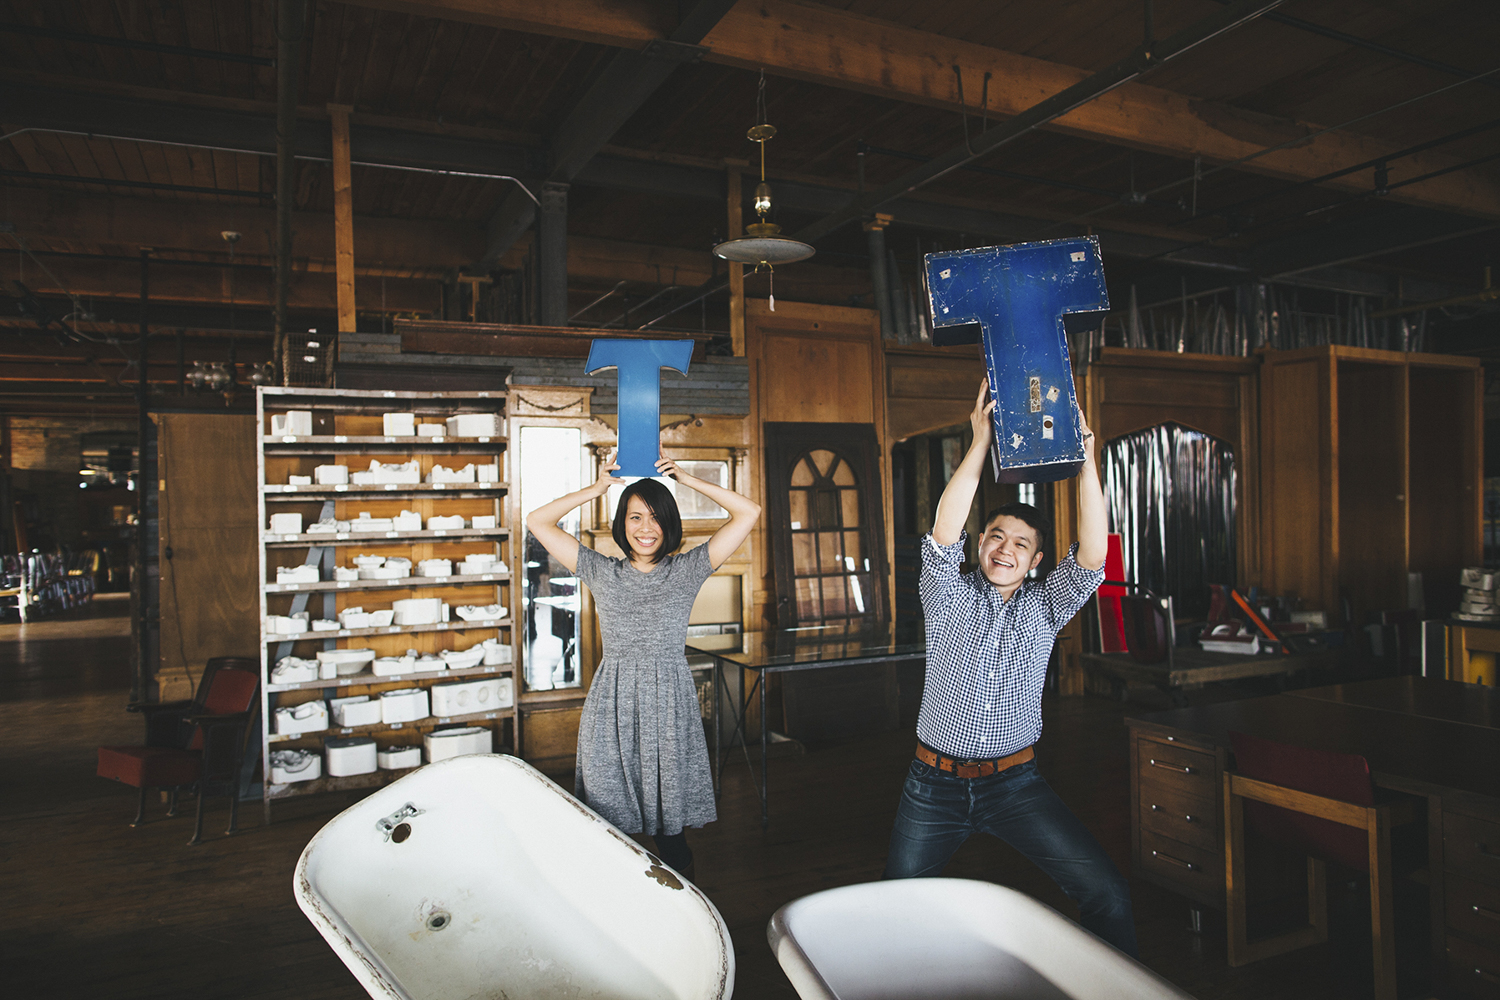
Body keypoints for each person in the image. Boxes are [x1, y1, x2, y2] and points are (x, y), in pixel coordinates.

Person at [883, 377, 1138, 956]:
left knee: (1108, 893)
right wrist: (979, 442)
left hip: (1016, 784)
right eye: (996, 537)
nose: (1005, 549)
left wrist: (1088, 462)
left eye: (1021, 544)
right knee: (893, 913)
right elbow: (945, 528)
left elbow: (1094, 555)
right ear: (981, 545)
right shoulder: (946, 591)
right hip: (932, 785)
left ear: (1037, 560)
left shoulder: (1047, 607)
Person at [525, 453, 761, 880]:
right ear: (622, 523)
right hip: (612, 706)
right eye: (635, 517)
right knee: (608, 821)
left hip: (668, 707)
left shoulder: (687, 570)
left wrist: (686, 478)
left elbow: (749, 512)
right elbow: (538, 521)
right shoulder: (599, 570)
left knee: (669, 833)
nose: (646, 528)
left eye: (655, 518)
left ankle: (685, 911)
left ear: (669, 523)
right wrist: (596, 489)